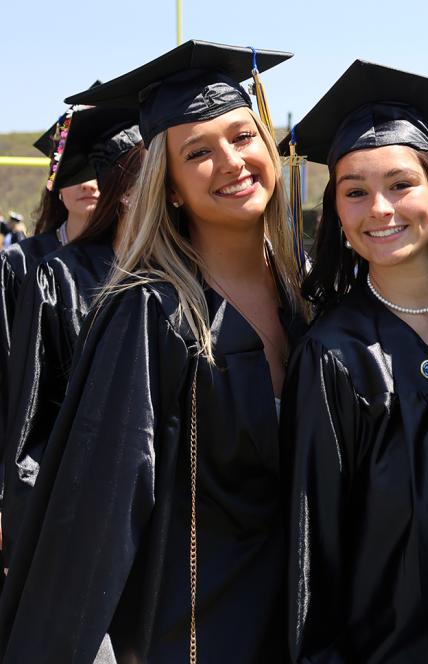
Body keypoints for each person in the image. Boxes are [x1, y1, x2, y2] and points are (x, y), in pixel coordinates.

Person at [0, 41, 303, 663]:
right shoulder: (150, 312)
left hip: (310, 626)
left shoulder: (309, 302)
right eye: (198, 152)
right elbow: (98, 511)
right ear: (167, 187)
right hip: (203, 631)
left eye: (242, 136)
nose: (231, 162)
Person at [279, 61, 428, 662]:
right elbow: (314, 558)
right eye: (354, 191)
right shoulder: (335, 358)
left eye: (400, 184)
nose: (379, 208)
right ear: (337, 213)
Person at [3, 108, 141, 557]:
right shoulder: (24, 265)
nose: (89, 183)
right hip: (41, 456)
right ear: (54, 183)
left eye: (99, 172)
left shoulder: (136, 267)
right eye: (75, 171)